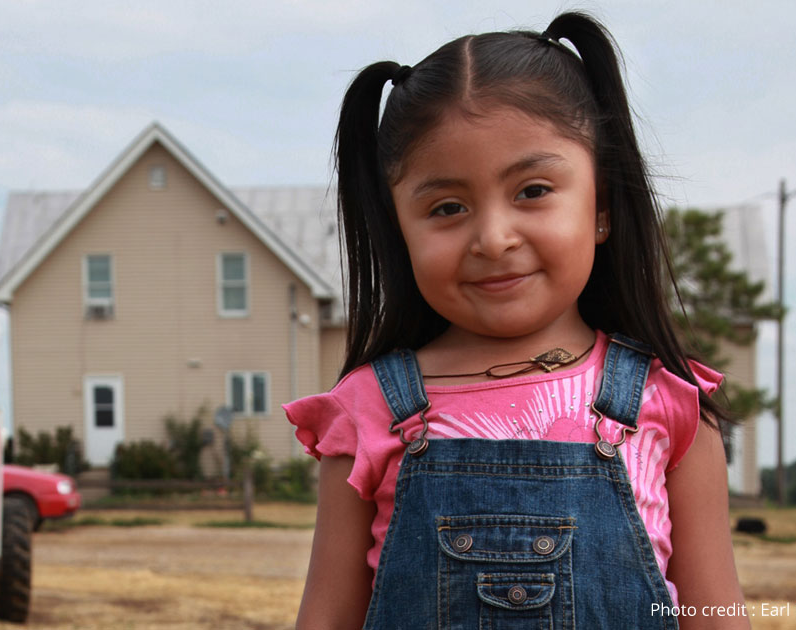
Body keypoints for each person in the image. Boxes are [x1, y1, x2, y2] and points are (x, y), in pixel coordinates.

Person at [284, 11, 750, 630]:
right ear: (400, 231)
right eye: (447, 207)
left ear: (602, 205)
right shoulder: (365, 413)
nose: (493, 238)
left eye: (532, 191)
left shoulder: (670, 406)